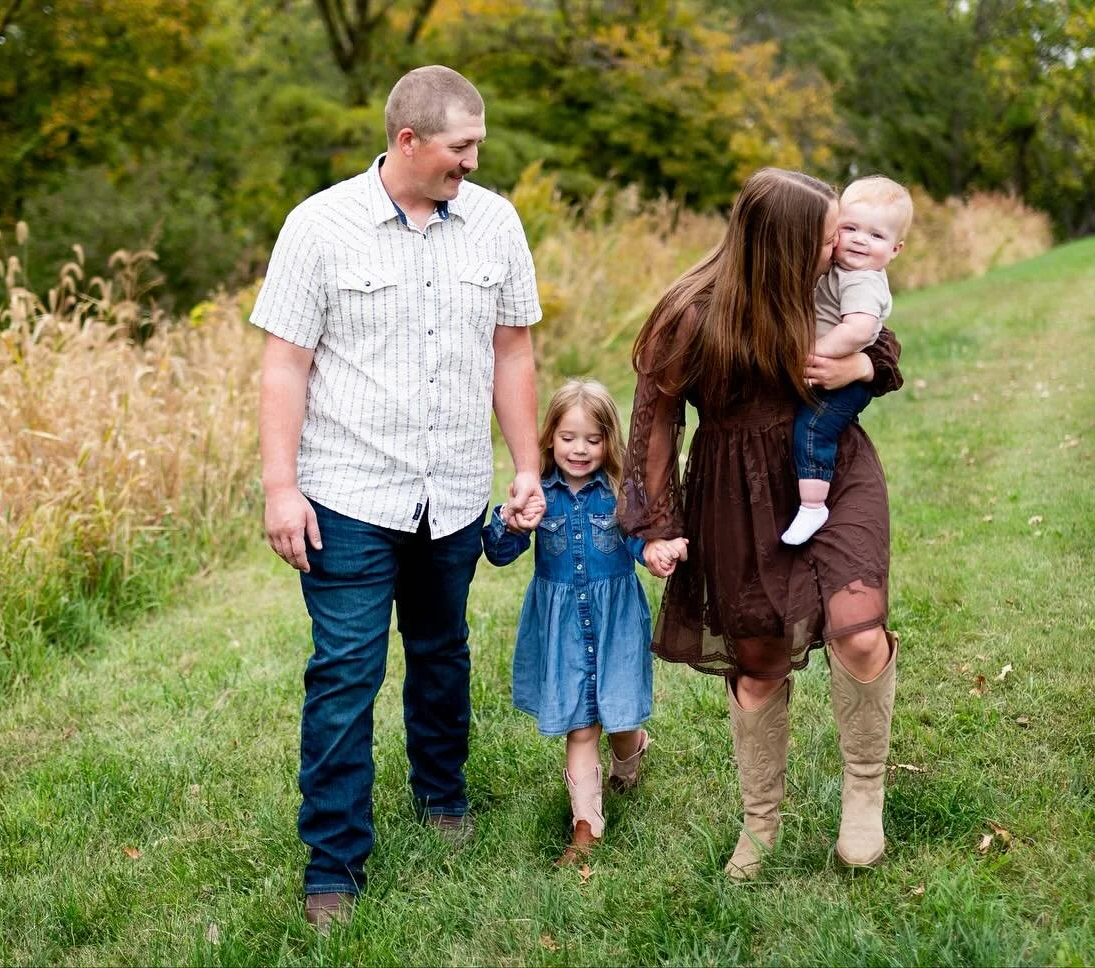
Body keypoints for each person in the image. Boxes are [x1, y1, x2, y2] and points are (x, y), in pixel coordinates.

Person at [251, 65, 545, 930]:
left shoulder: (494, 222)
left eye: (478, 146)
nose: (474, 163)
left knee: (442, 650)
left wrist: (525, 467)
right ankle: (333, 862)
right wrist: (280, 487)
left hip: (451, 490)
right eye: (461, 148)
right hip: (346, 489)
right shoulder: (319, 226)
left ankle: (443, 798)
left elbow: (514, 351)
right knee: (344, 674)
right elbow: (285, 363)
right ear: (408, 142)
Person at [620, 168, 905, 882]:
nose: (843, 242)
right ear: (782, 244)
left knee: (860, 631)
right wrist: (659, 523)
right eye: (829, 232)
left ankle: (864, 793)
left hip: (831, 470)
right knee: (758, 667)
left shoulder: (828, 284)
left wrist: (860, 366)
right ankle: (761, 824)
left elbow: (881, 341)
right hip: (736, 494)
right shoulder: (691, 312)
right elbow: (656, 421)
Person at [481, 380, 686, 865]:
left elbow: (639, 541)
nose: (579, 449)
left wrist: (655, 550)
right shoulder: (536, 494)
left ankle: (632, 752)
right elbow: (498, 551)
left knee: (619, 716)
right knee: (581, 725)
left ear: (608, 442)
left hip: (615, 623)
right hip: (563, 628)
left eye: (593, 439)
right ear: (549, 437)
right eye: (569, 437)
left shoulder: (618, 493)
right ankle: (586, 829)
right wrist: (510, 523)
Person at [782, 176, 914, 545]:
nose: (859, 239)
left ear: (895, 249)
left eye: (875, 236)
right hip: (840, 366)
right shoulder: (841, 272)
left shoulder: (863, 281)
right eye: (850, 228)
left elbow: (858, 331)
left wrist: (813, 353)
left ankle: (813, 506)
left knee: (814, 428)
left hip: (846, 381)